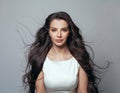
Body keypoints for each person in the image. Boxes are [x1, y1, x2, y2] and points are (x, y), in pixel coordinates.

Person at [22, 11, 99, 93]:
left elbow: (82, 91)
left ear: (69, 32)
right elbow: (40, 91)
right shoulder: (40, 59)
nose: (59, 35)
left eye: (64, 30)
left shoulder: (80, 58)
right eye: (54, 30)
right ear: (49, 32)